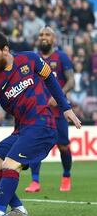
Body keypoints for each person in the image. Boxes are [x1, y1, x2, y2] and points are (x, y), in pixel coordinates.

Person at [0, 32, 81, 216]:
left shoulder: (30, 59)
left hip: (42, 124)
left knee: (9, 164)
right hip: (21, 129)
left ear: (5, 49)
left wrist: (65, 108)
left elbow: (51, 81)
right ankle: (18, 208)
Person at [25, 26, 75, 193]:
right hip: (38, 112)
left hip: (58, 111)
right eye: (41, 35)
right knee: (35, 146)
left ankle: (66, 176)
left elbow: (71, 81)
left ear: (54, 38)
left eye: (47, 34)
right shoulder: (33, 59)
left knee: (63, 146)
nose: (43, 37)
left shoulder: (61, 57)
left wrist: (58, 95)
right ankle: (35, 181)